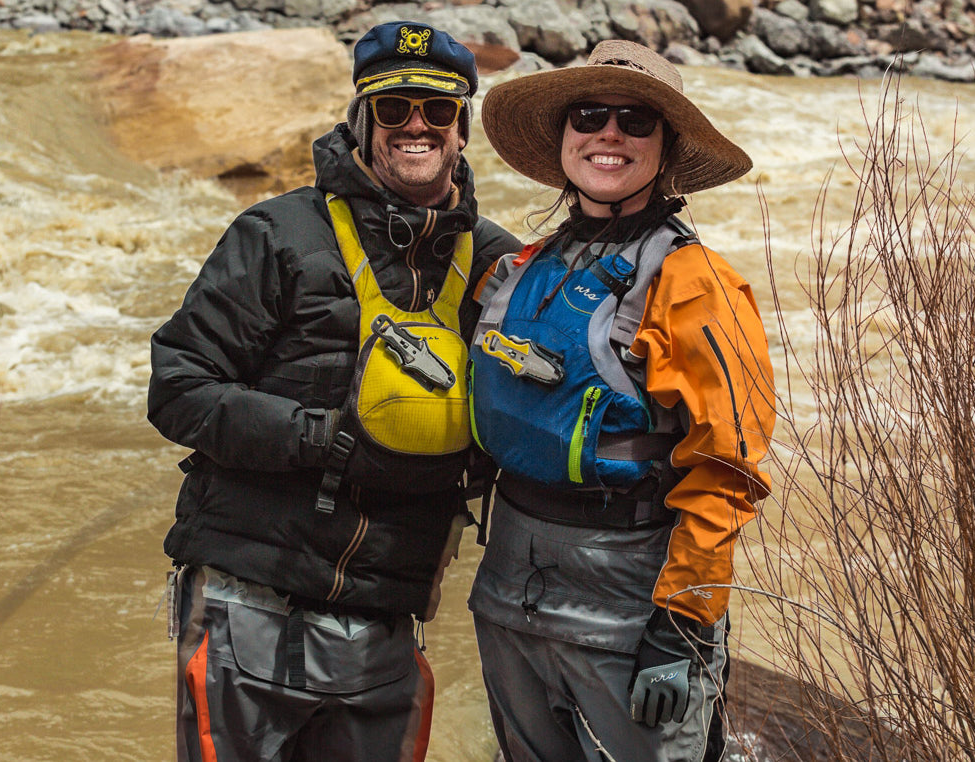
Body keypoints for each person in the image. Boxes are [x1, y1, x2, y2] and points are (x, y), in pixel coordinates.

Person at [146, 20, 522, 762]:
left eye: (437, 111)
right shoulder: (277, 235)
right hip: (246, 607)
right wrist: (317, 437)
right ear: (361, 121)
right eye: (393, 109)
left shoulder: (499, 266)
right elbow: (178, 387)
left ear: (462, 129)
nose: (415, 126)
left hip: (385, 627)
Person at [466, 40, 776, 761]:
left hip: (631, 609)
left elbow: (730, 471)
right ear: (564, 135)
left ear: (666, 150)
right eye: (590, 114)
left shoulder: (695, 282)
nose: (609, 134)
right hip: (510, 591)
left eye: (636, 120)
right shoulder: (522, 267)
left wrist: (683, 625)